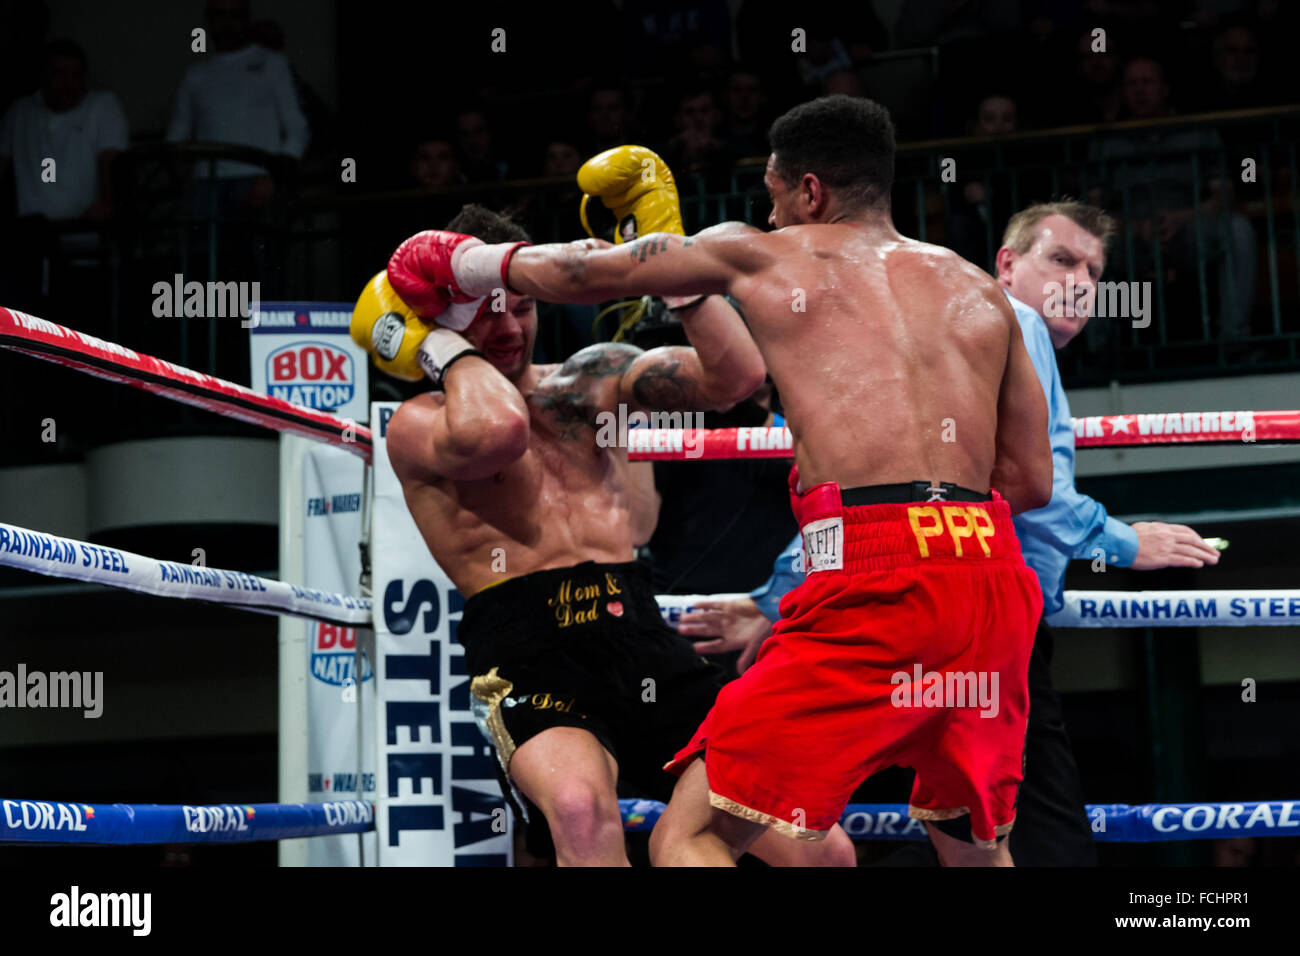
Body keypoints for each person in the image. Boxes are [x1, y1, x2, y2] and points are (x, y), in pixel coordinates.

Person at [383, 96, 1054, 866]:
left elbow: (601, 288)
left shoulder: (719, 283)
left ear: (809, 192)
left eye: (773, 199)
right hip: (989, 574)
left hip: (856, 577)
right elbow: (1029, 481)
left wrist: (458, 265)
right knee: (972, 844)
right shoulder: (975, 285)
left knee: (698, 838)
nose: (770, 220)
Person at [353, 152, 854, 867]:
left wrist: (679, 275)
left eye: (521, 306)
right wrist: (433, 343)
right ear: (443, 319)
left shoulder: (594, 379)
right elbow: (499, 430)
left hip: (637, 630)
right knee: (583, 813)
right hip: (528, 650)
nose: (507, 330)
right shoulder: (419, 423)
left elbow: (738, 376)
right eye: (484, 312)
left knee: (820, 847)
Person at [994, 200, 1222, 863]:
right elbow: (1031, 490)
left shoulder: (984, 328)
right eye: (1061, 259)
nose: (1081, 282)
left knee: (982, 836)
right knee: (1046, 840)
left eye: (1094, 271)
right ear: (1008, 264)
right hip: (990, 624)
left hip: (965, 615)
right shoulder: (1019, 325)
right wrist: (1123, 541)